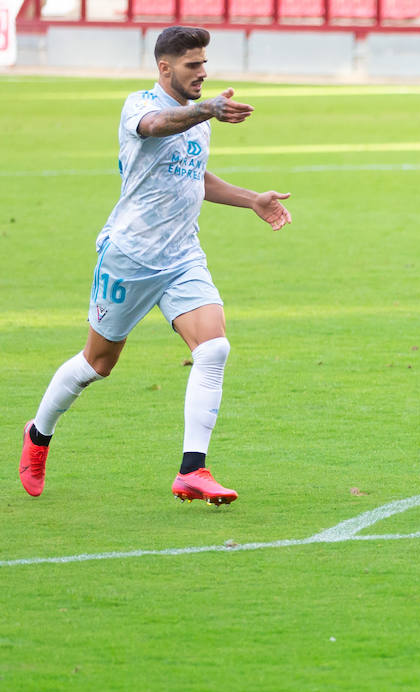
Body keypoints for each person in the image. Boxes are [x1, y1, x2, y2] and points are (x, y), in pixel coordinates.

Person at [17, 26, 292, 505]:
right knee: (97, 364)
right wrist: (202, 110)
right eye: (192, 65)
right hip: (130, 256)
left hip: (182, 254)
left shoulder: (198, 118)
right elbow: (157, 127)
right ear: (165, 68)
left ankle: (193, 470)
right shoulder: (140, 106)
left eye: (204, 64)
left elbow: (193, 176)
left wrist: (252, 200)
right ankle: (39, 436)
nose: (202, 73)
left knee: (214, 348)